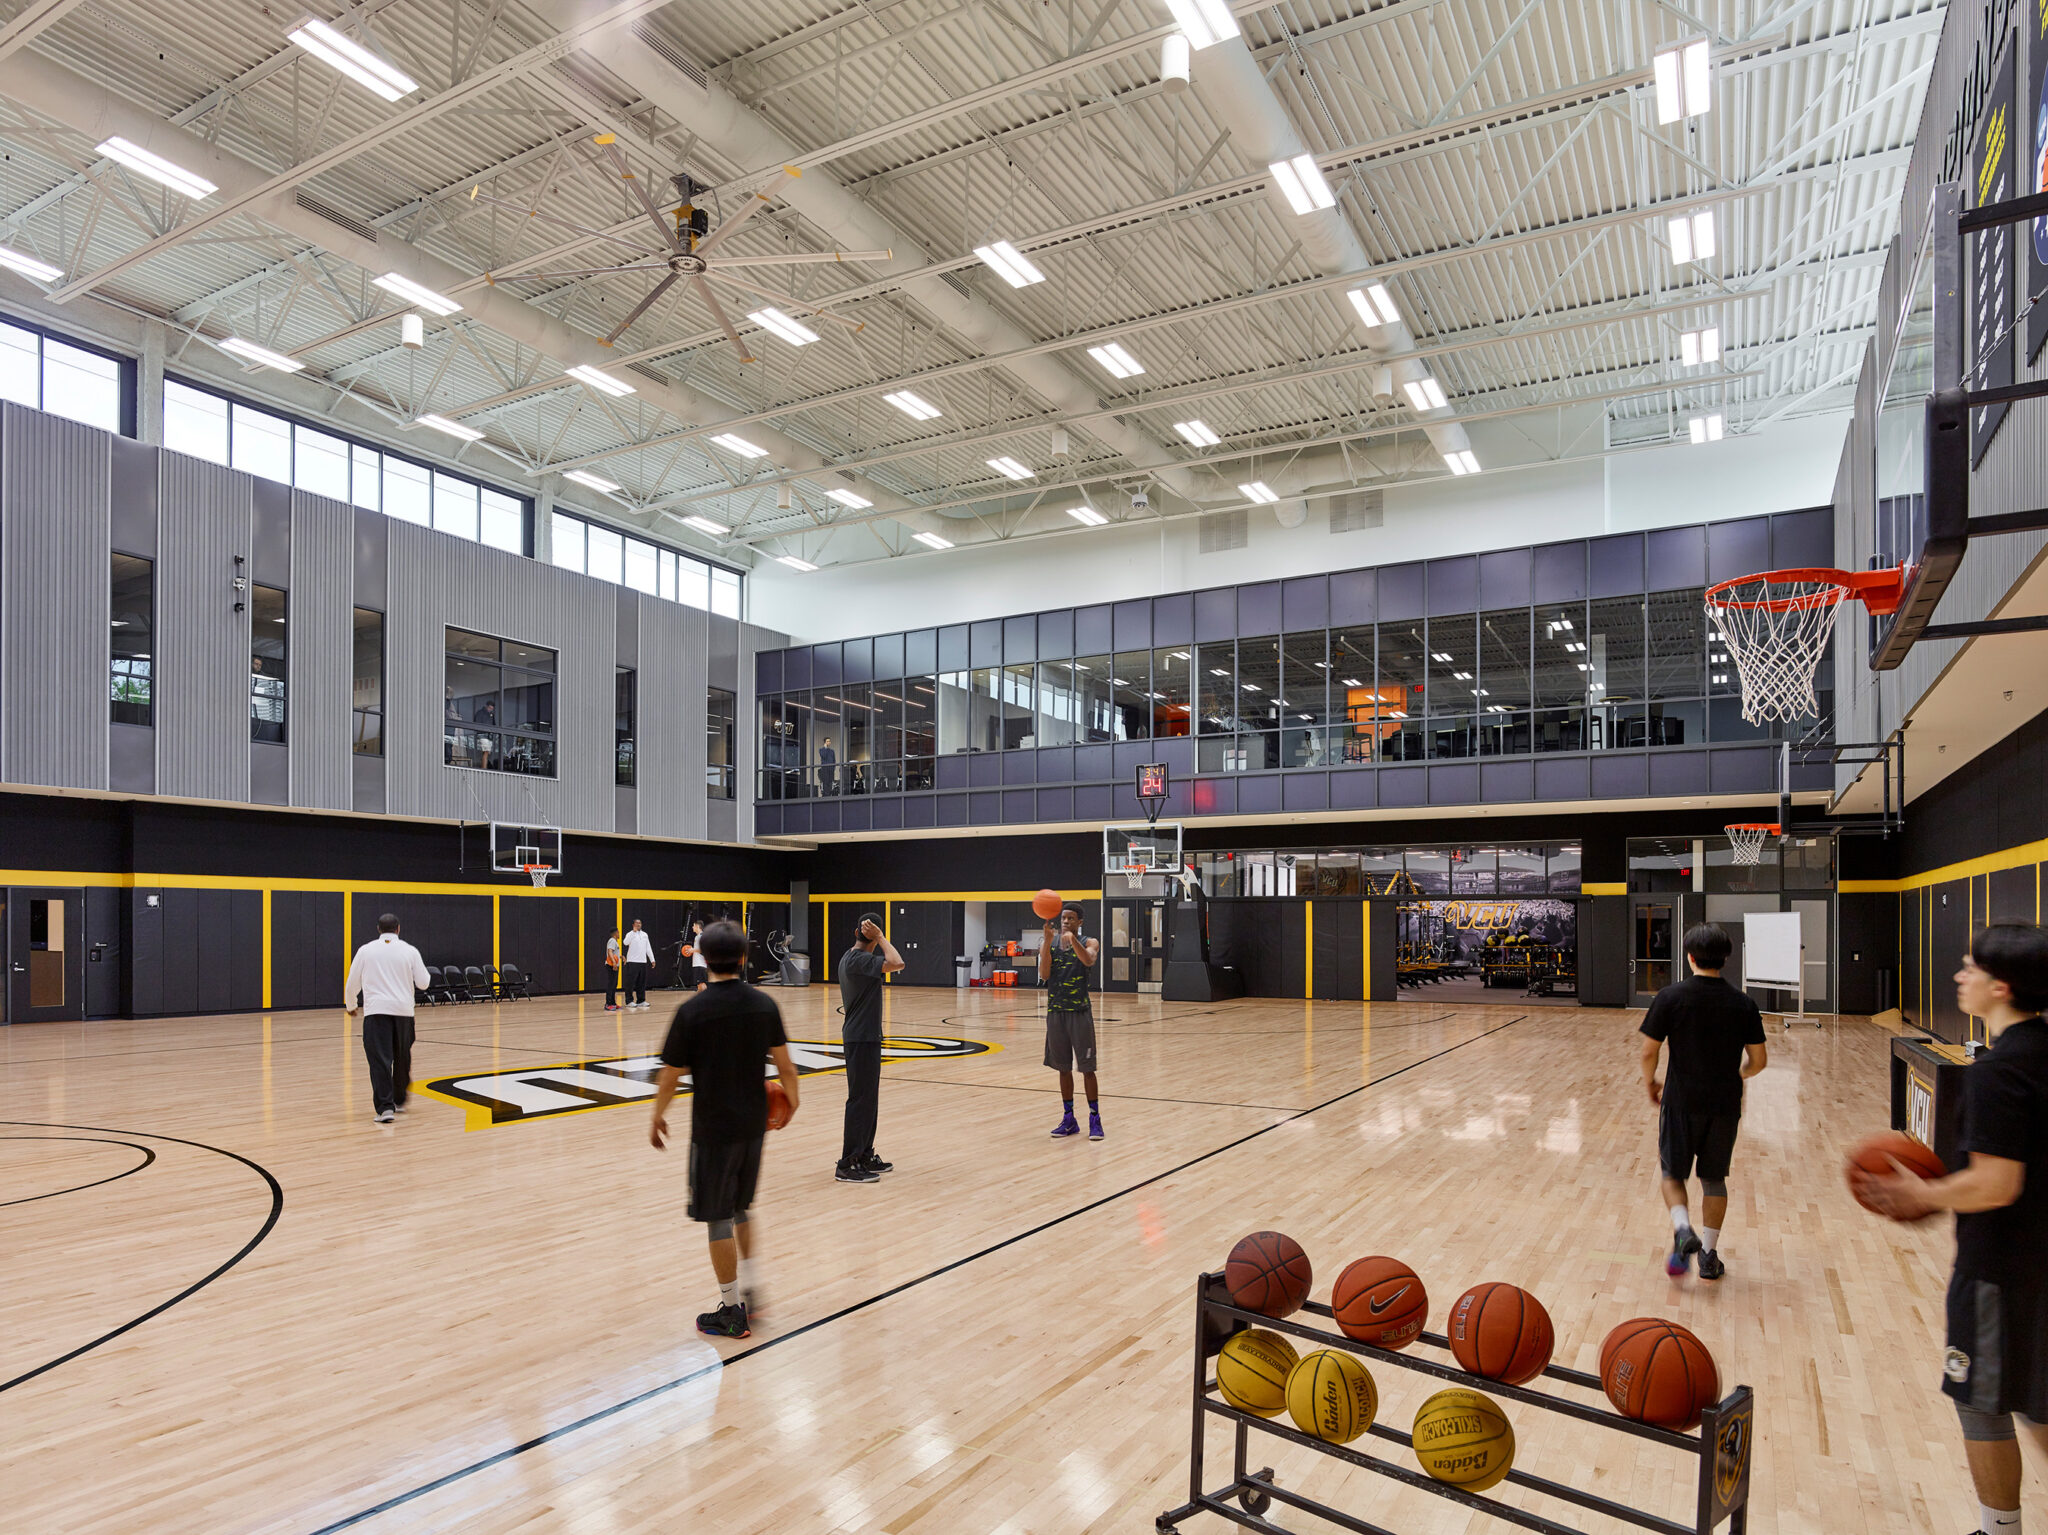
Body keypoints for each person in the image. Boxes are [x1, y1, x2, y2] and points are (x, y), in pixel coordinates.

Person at [1855, 924, 2048, 1535]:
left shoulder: (1998, 1072)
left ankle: (1999, 1530)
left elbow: (1997, 1184)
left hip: (2001, 1267)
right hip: (2039, 1260)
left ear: (2002, 985)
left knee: (1980, 1400)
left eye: (1970, 968)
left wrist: (1922, 1192)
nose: (1960, 977)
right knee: (2037, 1402)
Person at [649, 920, 800, 1340]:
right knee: (741, 1208)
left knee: (717, 1217)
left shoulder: (692, 1011)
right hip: (754, 1126)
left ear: (703, 958)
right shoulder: (764, 1004)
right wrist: (792, 1101)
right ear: (744, 958)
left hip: (713, 1129)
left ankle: (732, 1309)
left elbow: (670, 1074)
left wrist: (657, 1115)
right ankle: (751, 1287)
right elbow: (786, 1067)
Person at [1638, 922, 1767, 1280]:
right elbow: (1759, 1062)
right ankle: (1709, 1255)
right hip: (1724, 1104)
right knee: (1713, 1179)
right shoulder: (1744, 1003)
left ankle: (1682, 1229)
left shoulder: (1670, 997)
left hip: (1680, 1101)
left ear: (1689, 957)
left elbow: (1649, 1051)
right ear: (1725, 959)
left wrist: (1650, 1083)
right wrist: (1734, 1076)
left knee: (1672, 1174)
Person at [343, 913, 430, 1125]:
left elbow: (352, 981)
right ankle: (399, 1100)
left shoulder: (366, 950)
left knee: (380, 1061)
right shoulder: (410, 951)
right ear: (398, 929)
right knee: (402, 1057)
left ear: (378, 929)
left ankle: (385, 1109)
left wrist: (351, 1006)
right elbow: (424, 983)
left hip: (376, 1013)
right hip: (404, 1013)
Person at [835, 913, 903, 1183]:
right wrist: (882, 938)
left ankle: (864, 1155)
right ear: (873, 936)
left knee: (868, 1099)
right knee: (860, 1101)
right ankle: (847, 1163)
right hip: (860, 1037)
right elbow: (897, 962)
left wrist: (876, 937)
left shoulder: (853, 957)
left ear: (855, 932)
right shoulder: (858, 960)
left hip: (866, 1037)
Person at [1038, 906, 1104, 1140]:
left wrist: (1073, 941)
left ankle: (1095, 1120)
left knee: (1087, 1069)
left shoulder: (1090, 941)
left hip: (1079, 1012)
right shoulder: (1052, 942)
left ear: (1080, 921)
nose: (1065, 921)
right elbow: (1045, 974)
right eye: (1063, 918)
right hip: (1056, 1012)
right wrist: (1047, 942)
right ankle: (1069, 1119)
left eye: (1070, 919)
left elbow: (1088, 960)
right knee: (1063, 1069)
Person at [622, 918, 654, 1009]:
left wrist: (652, 959)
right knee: (630, 983)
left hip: (642, 961)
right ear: (633, 925)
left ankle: (641, 1000)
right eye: (636, 923)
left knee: (641, 982)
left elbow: (648, 948)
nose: (638, 924)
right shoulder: (630, 934)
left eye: (640, 923)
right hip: (632, 962)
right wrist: (633, 932)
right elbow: (625, 942)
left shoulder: (645, 935)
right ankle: (629, 1001)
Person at [603, 925, 622, 1011]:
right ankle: (608, 1004)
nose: (619, 934)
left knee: (614, 984)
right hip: (611, 965)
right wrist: (614, 963)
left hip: (614, 965)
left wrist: (621, 957)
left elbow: (615, 953)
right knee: (611, 984)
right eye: (618, 932)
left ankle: (613, 1003)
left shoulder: (615, 942)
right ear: (616, 933)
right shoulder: (612, 941)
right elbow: (610, 951)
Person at [690, 919, 709, 992]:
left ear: (697, 926)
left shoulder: (701, 936)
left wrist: (693, 950)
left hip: (700, 964)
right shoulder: (697, 937)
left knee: (702, 984)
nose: (692, 927)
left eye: (693, 926)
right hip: (697, 964)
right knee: (699, 986)